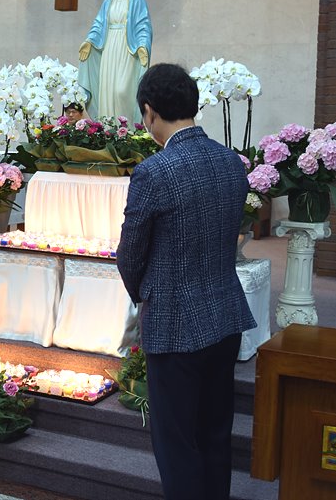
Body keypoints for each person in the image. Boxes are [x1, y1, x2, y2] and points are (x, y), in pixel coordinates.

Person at [115, 63, 256, 500]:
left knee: (176, 445)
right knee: (214, 434)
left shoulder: (155, 171)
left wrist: (143, 294)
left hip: (174, 323)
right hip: (225, 315)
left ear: (149, 111)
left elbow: (130, 254)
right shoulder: (230, 162)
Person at [77, 0, 152, 122]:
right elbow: (99, 23)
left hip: (128, 48)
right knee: (108, 90)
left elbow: (143, 24)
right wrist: (89, 41)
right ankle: (109, 129)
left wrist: (142, 45)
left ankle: (128, 129)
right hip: (110, 46)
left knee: (122, 90)